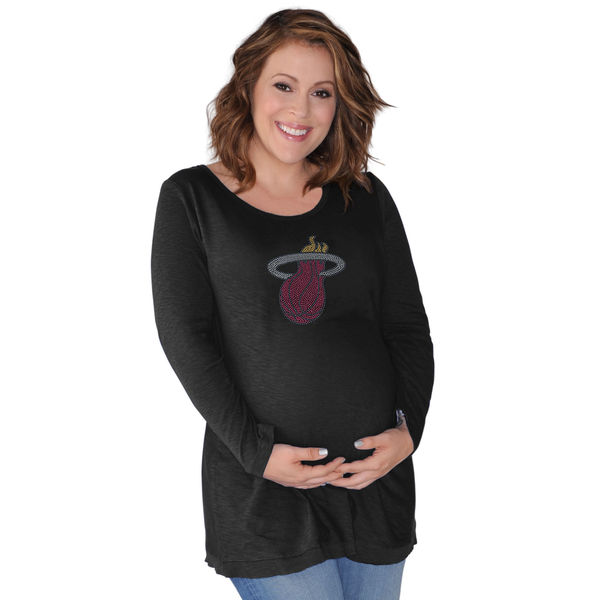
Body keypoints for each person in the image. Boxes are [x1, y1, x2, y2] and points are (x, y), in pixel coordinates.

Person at [150, 8, 435, 600]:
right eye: (284, 85)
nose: (301, 110)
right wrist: (256, 454)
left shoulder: (365, 196)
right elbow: (186, 338)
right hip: (264, 492)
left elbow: (406, 325)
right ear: (248, 87)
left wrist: (409, 429)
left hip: (373, 484)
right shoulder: (192, 199)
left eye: (321, 92)